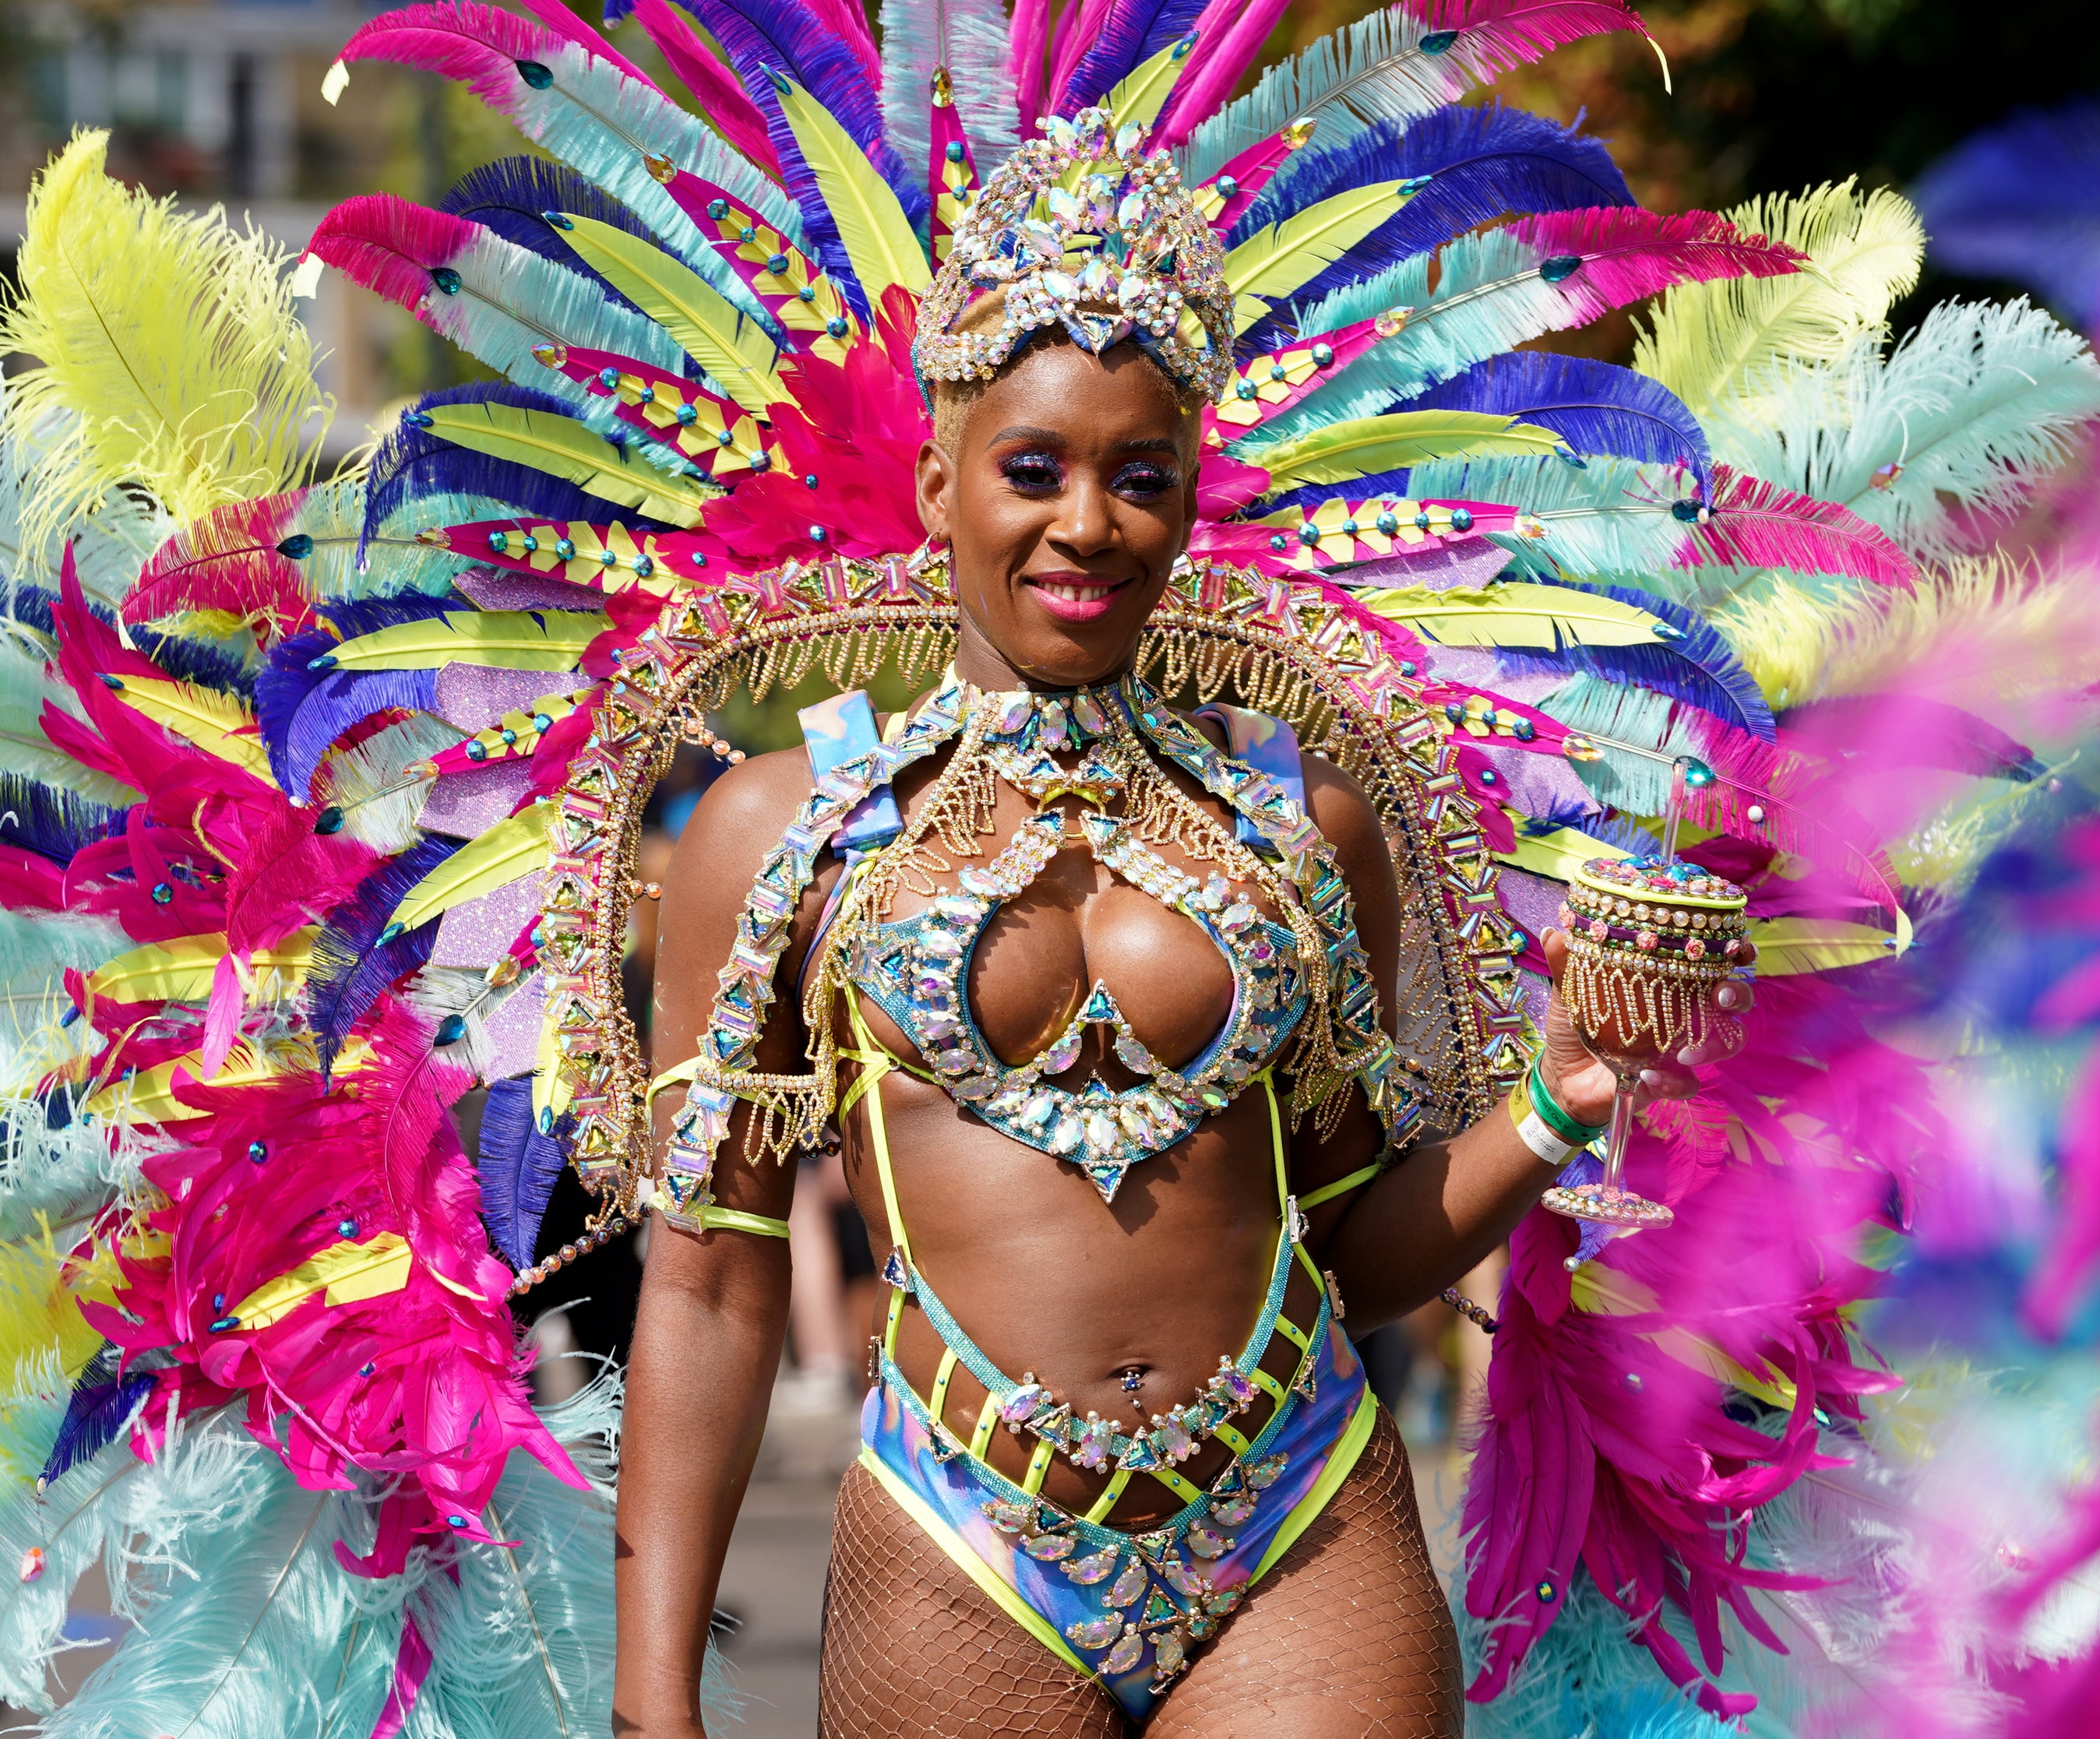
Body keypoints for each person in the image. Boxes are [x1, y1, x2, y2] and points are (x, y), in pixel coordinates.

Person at [610, 118, 1753, 1737]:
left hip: (1303, 1529)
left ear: (1189, 500)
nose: (1088, 522)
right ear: (938, 481)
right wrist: (651, 1702)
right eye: (1034, 470)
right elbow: (709, 1287)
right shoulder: (781, 831)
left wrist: (1563, 1091)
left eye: (1139, 478)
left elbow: (1361, 1248)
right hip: (960, 1556)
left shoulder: (1302, 821)